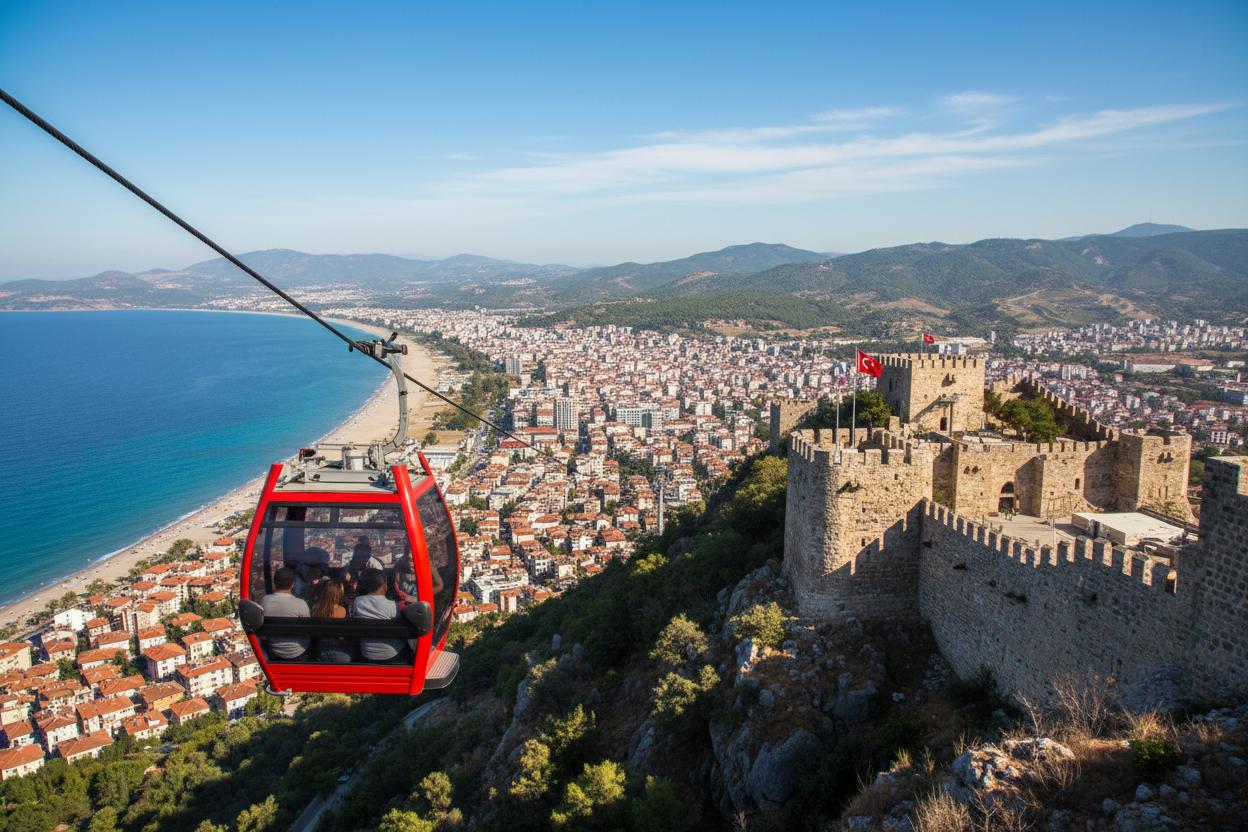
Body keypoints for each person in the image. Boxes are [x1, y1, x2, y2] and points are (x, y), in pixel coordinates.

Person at [351, 568, 405, 662]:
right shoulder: (393, 606)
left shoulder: (358, 602)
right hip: (392, 654)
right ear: (384, 586)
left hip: (367, 653)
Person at [260, 566, 309, 660]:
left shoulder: (265, 600)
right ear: (292, 585)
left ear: (275, 582)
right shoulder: (301, 603)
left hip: (274, 651)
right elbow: (307, 631)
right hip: (298, 651)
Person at [312, 578, 352, 663]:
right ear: (338, 594)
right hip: (338, 651)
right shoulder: (342, 609)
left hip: (319, 650)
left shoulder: (316, 608)